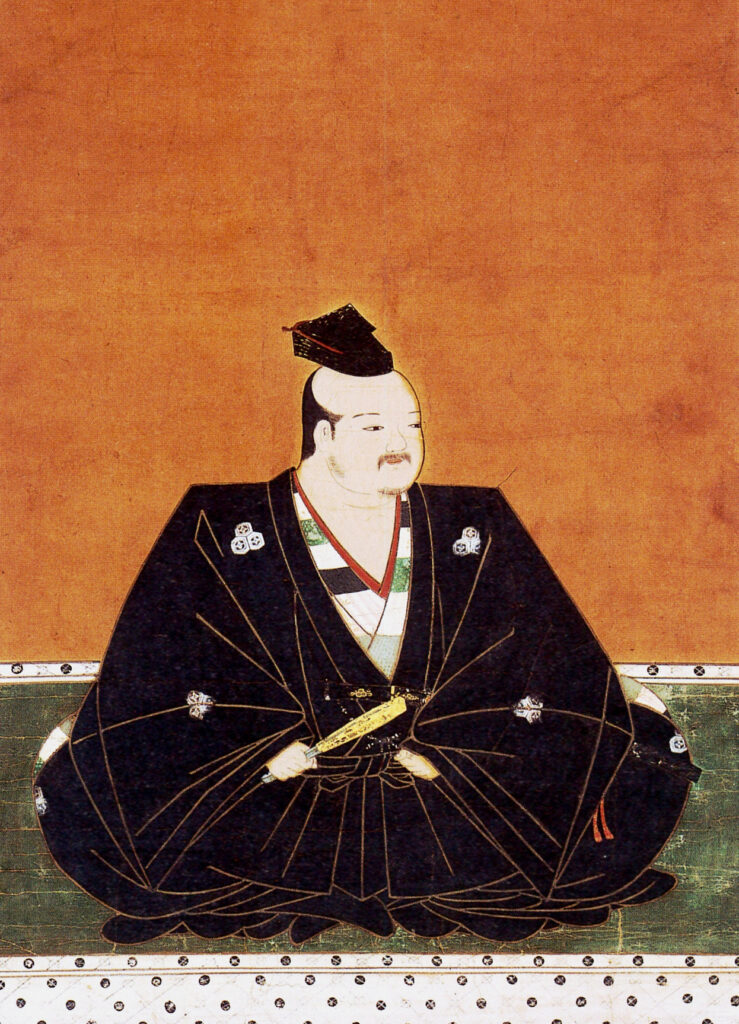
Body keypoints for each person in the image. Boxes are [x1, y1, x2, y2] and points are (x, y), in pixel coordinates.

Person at [34, 304, 700, 945]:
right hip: (283, 792)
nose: (401, 446)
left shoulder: (470, 524)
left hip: (441, 790)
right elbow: (163, 672)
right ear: (323, 435)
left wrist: (440, 753)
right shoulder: (224, 525)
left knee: (634, 756)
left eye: (411, 426)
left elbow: (546, 663)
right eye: (374, 428)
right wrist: (270, 751)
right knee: (92, 790)